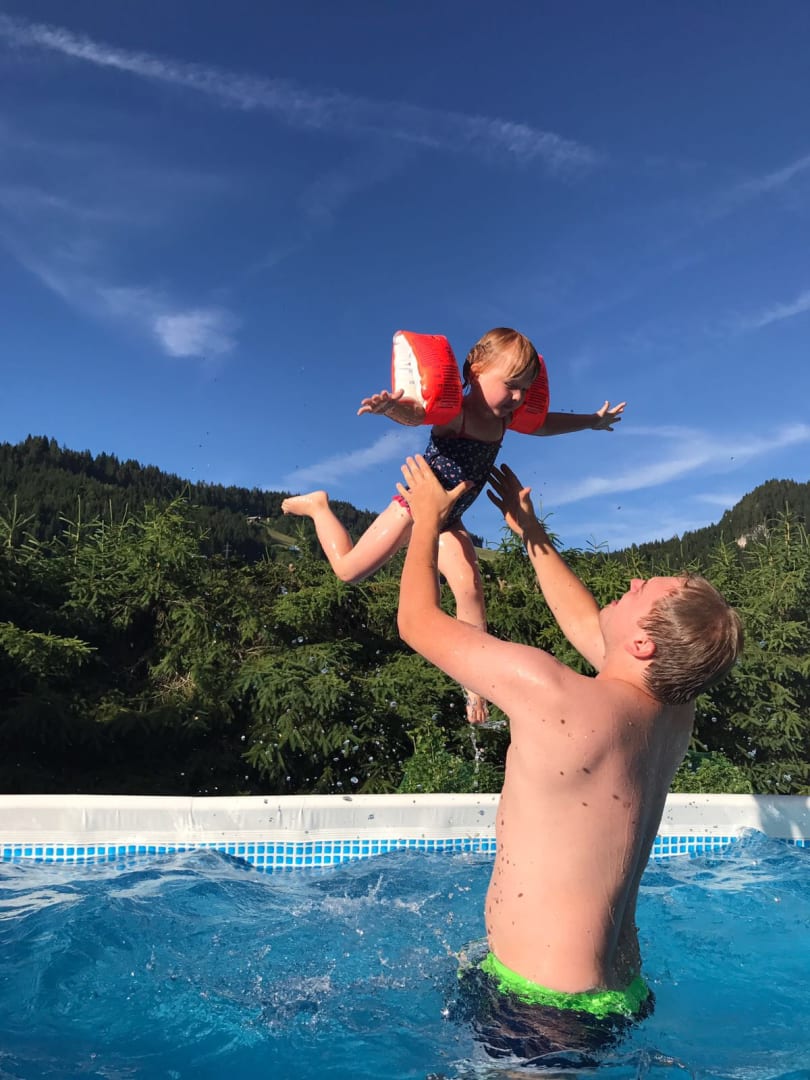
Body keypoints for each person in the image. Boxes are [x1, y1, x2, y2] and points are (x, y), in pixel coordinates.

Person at [395, 455, 743, 1061]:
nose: (631, 582)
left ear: (644, 644)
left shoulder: (553, 692)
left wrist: (426, 519)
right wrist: (531, 534)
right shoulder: (670, 709)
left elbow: (417, 622)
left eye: (642, 592)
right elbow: (592, 627)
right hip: (618, 993)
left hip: (541, 1007)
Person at [282, 327, 625, 725]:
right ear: (475, 370)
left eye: (525, 388)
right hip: (415, 508)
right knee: (348, 571)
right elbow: (416, 414)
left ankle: (474, 686)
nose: (518, 397)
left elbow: (545, 423)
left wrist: (592, 421)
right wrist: (391, 409)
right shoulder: (457, 414)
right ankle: (319, 506)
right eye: (511, 385)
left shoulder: (506, 419)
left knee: (470, 587)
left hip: (450, 518)